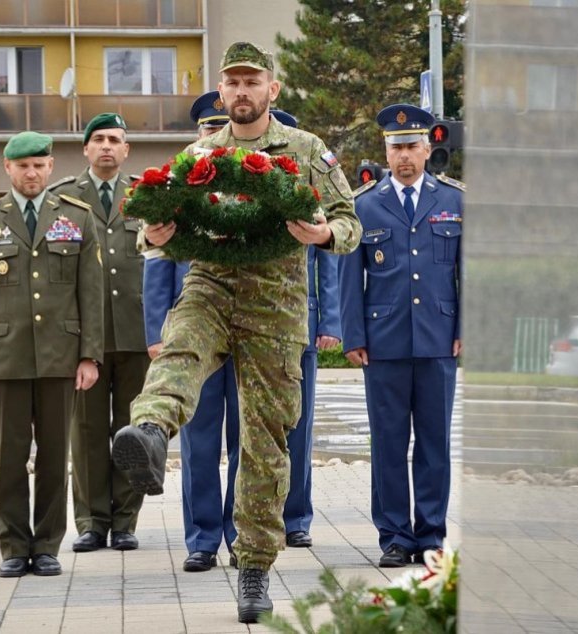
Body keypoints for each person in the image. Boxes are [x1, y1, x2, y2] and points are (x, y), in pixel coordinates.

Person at [112, 42, 361, 623]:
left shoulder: (305, 150)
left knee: (266, 441)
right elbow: (151, 231)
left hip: (276, 303)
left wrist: (322, 235)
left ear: (272, 90)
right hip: (211, 282)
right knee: (181, 347)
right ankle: (149, 432)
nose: (242, 91)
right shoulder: (198, 155)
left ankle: (253, 567)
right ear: (221, 92)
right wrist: (158, 230)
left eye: (252, 81)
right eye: (232, 82)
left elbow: (350, 221)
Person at [0, 131, 104, 577]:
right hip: (4, 358)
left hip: (61, 356)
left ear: (51, 166)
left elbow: (90, 292)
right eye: (23, 166)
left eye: (39, 164)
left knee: (56, 454)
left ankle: (46, 546)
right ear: (8, 168)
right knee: (9, 457)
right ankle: (13, 547)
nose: (32, 173)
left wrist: (89, 355)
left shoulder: (76, 217)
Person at [338, 104, 464, 568]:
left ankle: (430, 535)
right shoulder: (363, 204)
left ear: (428, 148)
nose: (404, 156)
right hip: (384, 340)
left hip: (438, 338)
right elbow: (349, 279)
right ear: (385, 153)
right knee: (388, 442)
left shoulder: (454, 201)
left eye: (412, 146)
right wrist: (353, 334)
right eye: (396, 148)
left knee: (434, 443)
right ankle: (394, 536)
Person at [143, 92, 241, 573]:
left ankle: (243, 536)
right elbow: (158, 262)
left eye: (222, 127)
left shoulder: (255, 182)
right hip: (194, 334)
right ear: (199, 134)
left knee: (248, 441)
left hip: (247, 331)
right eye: (208, 128)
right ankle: (202, 539)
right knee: (200, 441)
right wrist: (159, 333)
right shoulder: (177, 184)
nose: (215, 137)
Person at [51, 113, 149, 554]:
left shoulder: (148, 196)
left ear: (126, 150)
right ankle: (91, 521)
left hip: (137, 332)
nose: (107, 146)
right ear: (85, 149)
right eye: (99, 139)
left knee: (131, 431)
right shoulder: (63, 200)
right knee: (87, 432)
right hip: (83, 339)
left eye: (115, 139)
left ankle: (125, 520)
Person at [270, 109, 343, 550]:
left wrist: (329, 322)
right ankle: (257, 516)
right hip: (254, 326)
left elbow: (327, 264)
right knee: (255, 432)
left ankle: (295, 518)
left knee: (299, 426)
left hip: (302, 324)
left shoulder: (308, 198)